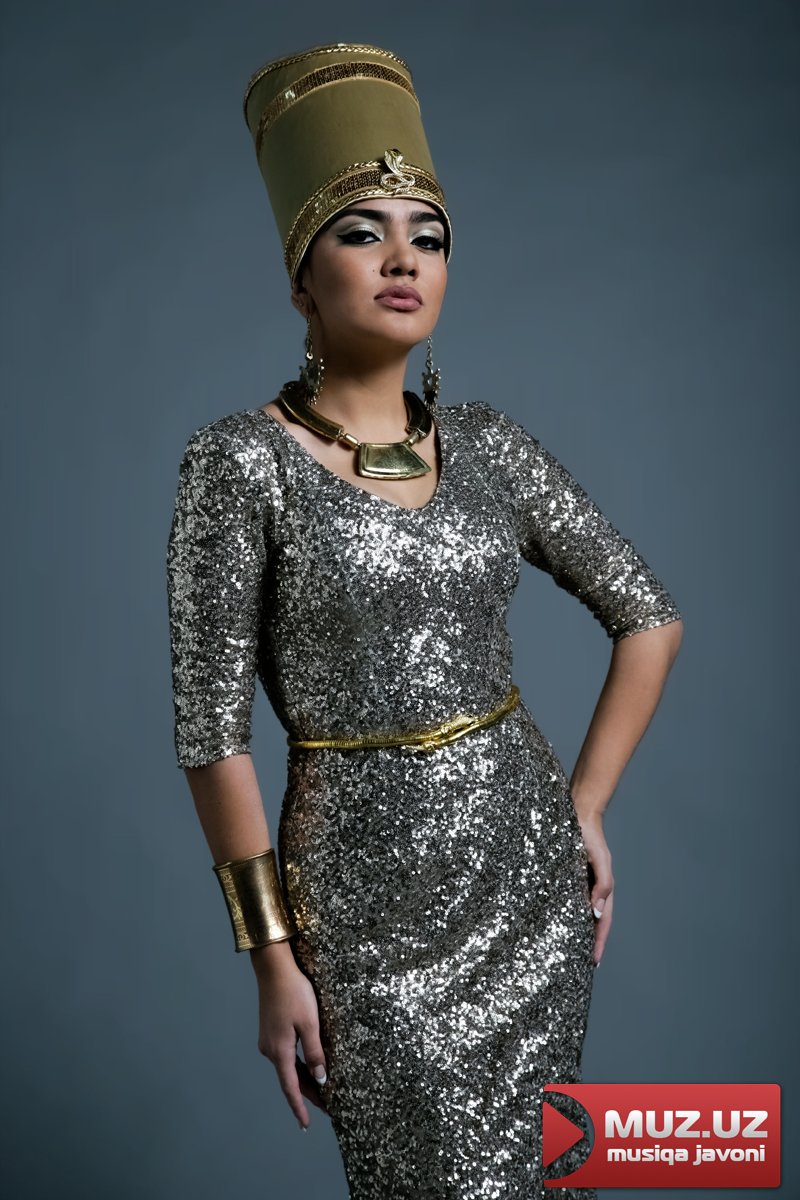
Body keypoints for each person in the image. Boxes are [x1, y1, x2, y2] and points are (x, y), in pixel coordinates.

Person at [166, 42, 683, 1199]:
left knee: (546, 1177)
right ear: (300, 281)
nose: (402, 258)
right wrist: (270, 956)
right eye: (362, 233)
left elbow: (647, 617)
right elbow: (209, 733)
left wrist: (584, 808)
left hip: (524, 880)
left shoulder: (490, 447)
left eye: (428, 236)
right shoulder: (238, 465)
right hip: (361, 911)